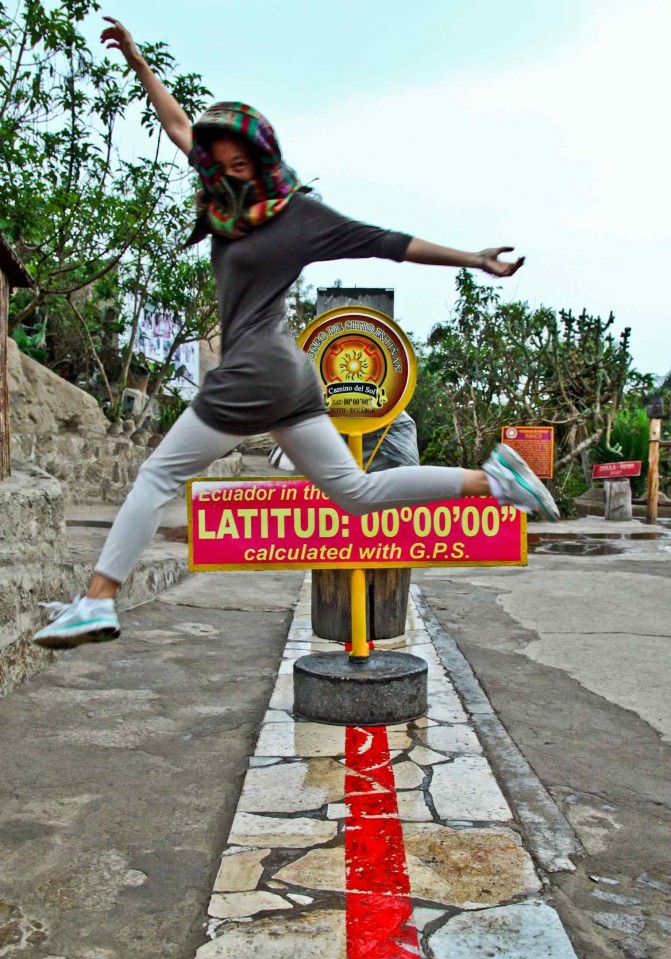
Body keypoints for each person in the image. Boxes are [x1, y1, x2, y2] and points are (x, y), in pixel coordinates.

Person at [33, 17, 559, 649]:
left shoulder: (300, 215)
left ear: (264, 158)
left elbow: (388, 243)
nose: (232, 174)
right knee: (356, 493)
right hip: (287, 377)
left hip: (254, 373)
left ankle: (97, 600)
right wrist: (139, 63)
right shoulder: (225, 207)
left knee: (155, 479)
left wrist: (474, 259)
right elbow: (180, 127)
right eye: (222, 164)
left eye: (242, 163)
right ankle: (495, 480)